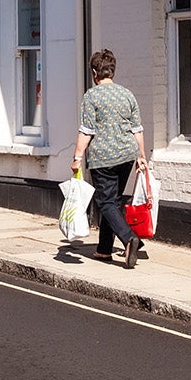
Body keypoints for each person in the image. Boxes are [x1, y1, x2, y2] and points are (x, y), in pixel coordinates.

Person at [73, 48, 148, 269]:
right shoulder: (127, 94)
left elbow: (87, 130)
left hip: (102, 158)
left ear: (95, 72)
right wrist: (141, 157)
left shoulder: (91, 96)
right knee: (113, 202)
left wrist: (77, 157)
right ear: (112, 71)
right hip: (126, 155)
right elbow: (137, 129)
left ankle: (129, 238)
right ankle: (104, 250)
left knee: (105, 202)